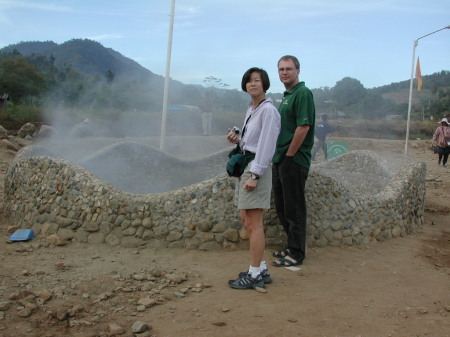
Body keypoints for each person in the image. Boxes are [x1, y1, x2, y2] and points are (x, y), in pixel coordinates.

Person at [227, 67, 281, 290]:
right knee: (246, 220)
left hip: (255, 168)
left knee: (254, 222)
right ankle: (262, 268)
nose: (252, 84)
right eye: (249, 81)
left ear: (264, 83)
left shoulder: (268, 111)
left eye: (257, 80)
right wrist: (237, 139)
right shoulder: (252, 108)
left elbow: (267, 145)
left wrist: (256, 175)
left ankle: (255, 274)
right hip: (248, 164)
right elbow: (252, 141)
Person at [271, 55, 315, 267]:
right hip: (280, 158)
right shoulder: (287, 95)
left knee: (294, 206)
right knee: (282, 206)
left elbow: (303, 127)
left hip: (294, 159)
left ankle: (297, 252)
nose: (284, 72)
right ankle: (291, 245)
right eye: (281, 69)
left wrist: (289, 156)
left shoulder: (303, 93)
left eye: (289, 68)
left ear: (298, 70)